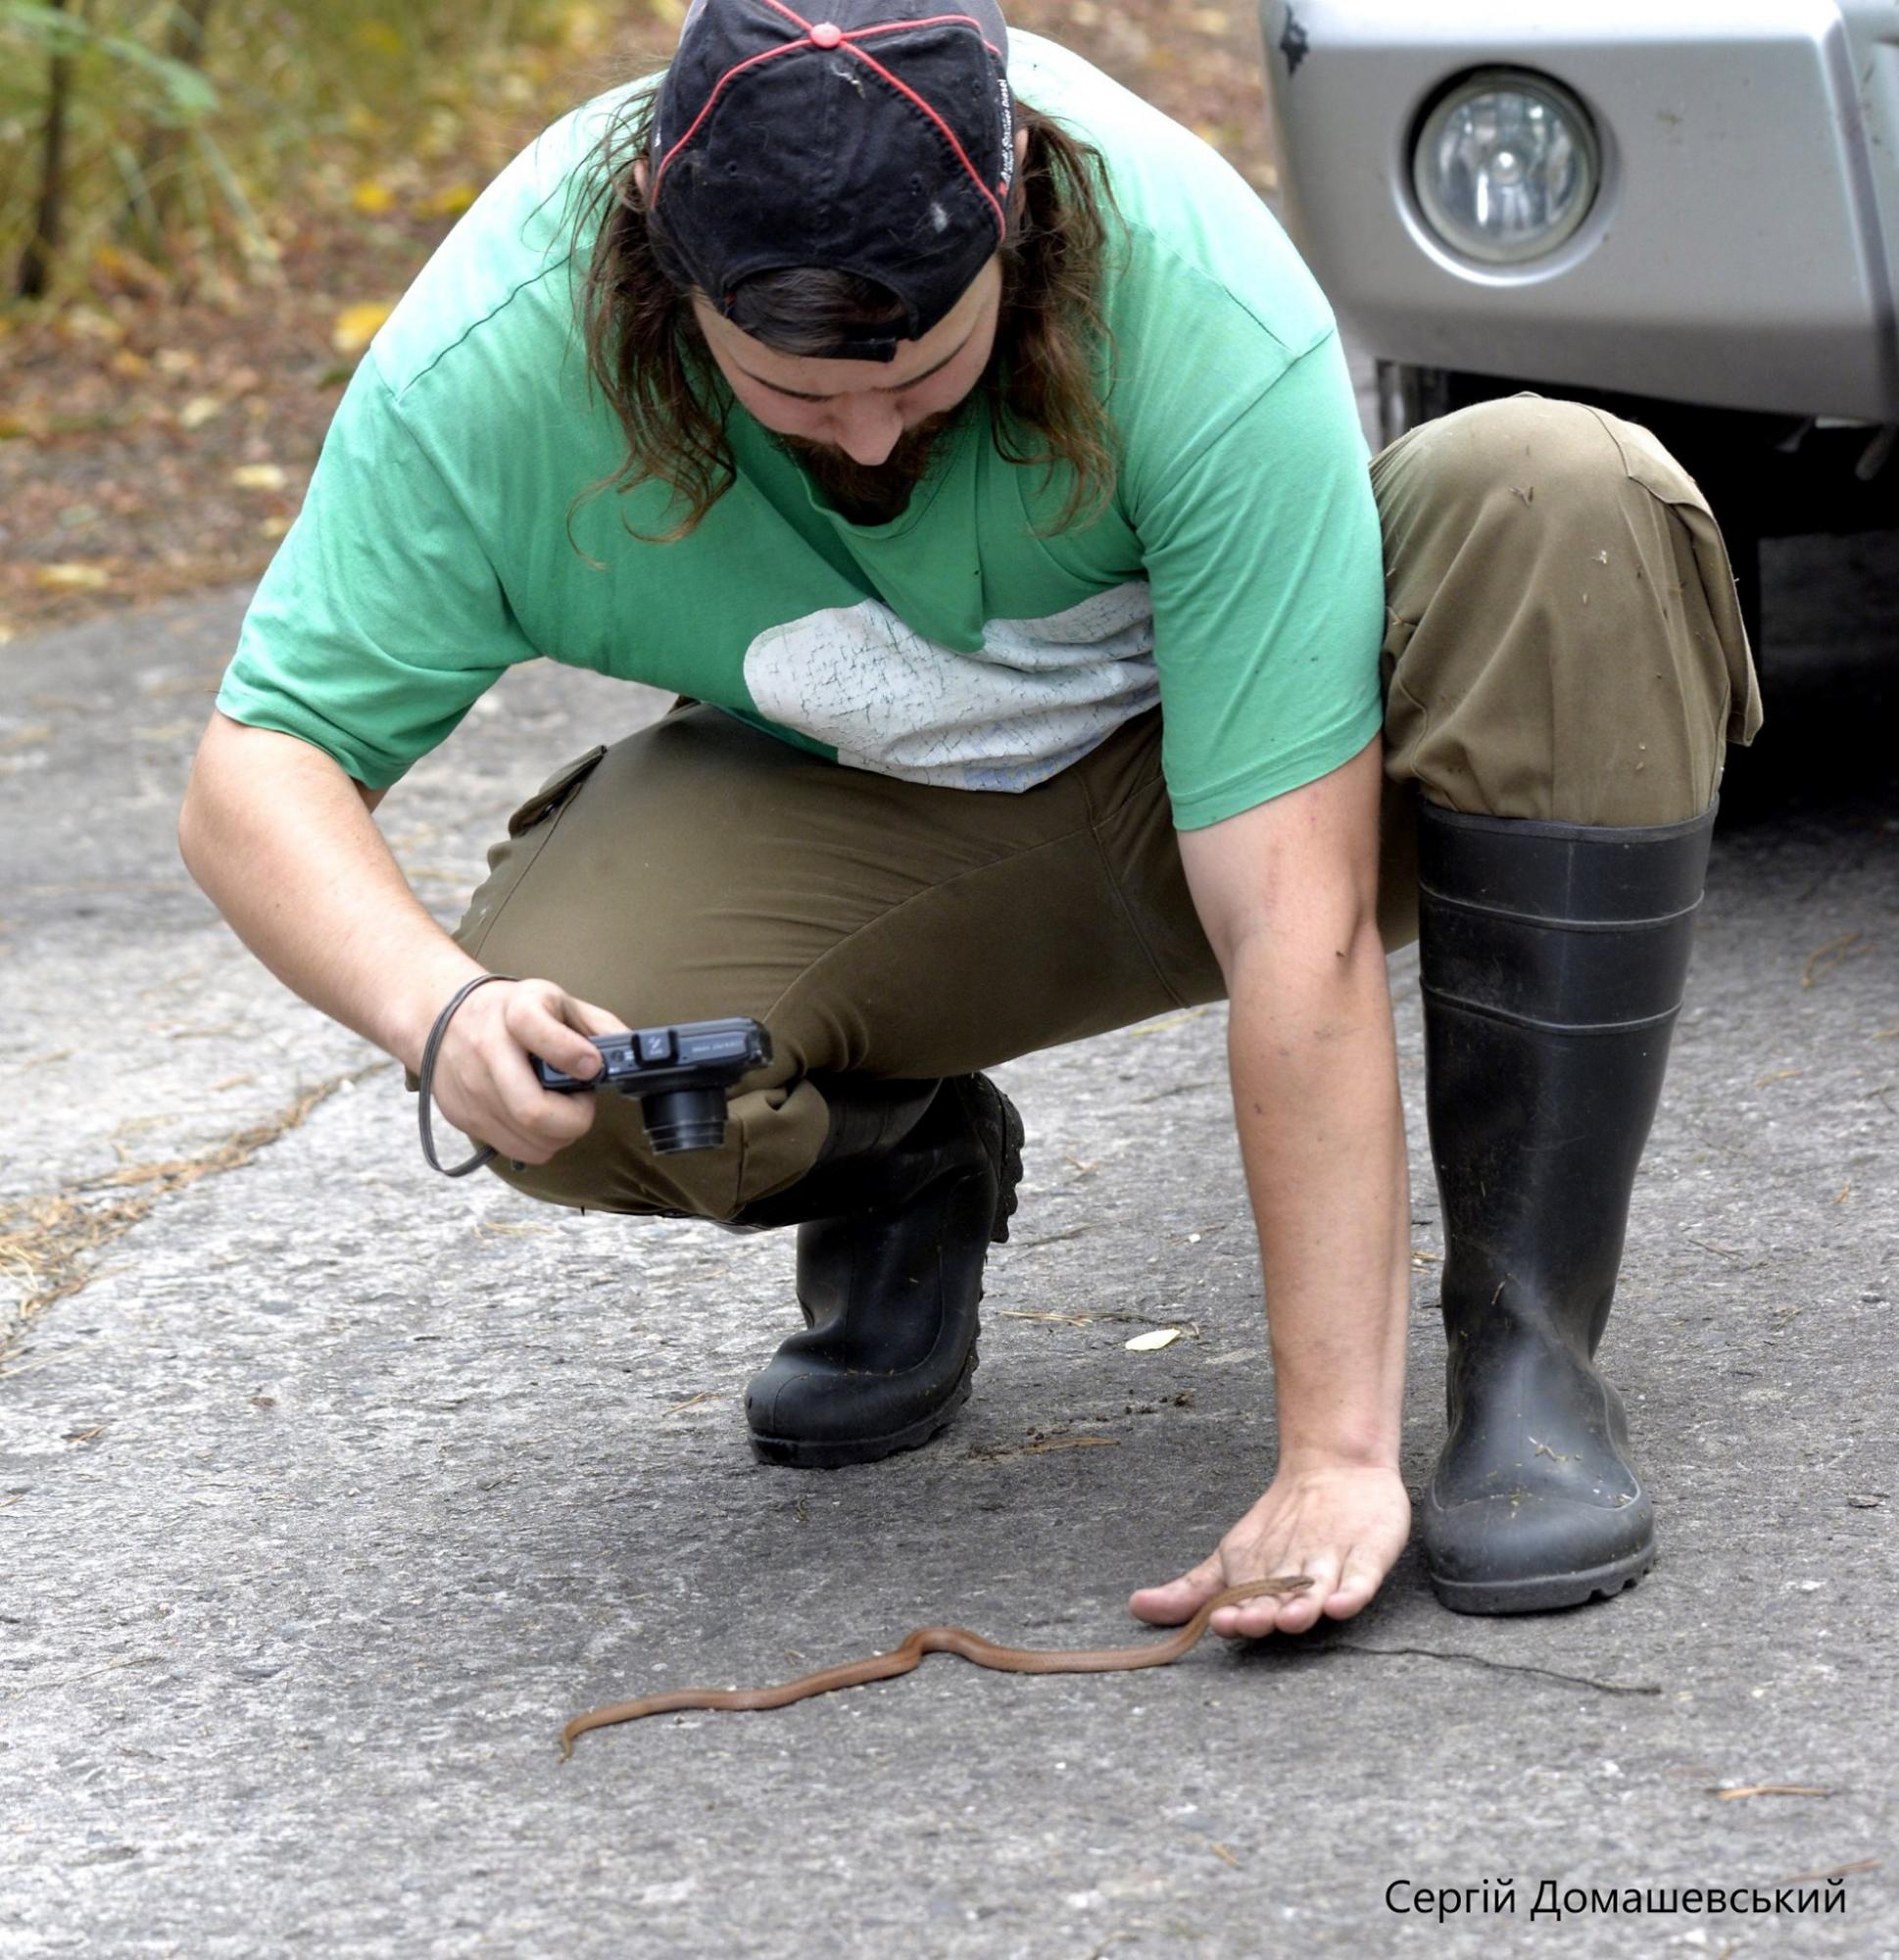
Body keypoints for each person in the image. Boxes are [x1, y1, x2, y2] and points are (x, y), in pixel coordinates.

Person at [178, 0, 1760, 1636]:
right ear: (662, 271)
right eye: (794, 395)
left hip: (1279, 770)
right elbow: (256, 770)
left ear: (1028, 226)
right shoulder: (498, 356)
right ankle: (905, 1166)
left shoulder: (1184, 280)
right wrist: (434, 1013)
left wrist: (1333, 1453)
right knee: (588, 1070)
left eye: (927, 369)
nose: (870, 437)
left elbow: (1295, 918)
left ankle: (1525, 1363)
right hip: (889, 820)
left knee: (1561, 497)